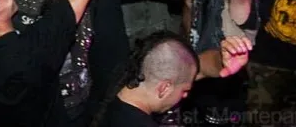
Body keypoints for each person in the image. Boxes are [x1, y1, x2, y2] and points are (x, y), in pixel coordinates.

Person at [99, 33, 252, 127]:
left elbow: (194, 67)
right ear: (164, 88)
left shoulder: (118, 82)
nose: (185, 95)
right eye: (184, 90)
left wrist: (222, 60)